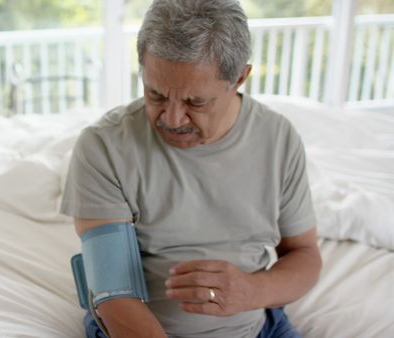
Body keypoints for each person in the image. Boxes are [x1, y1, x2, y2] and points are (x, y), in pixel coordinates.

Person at [59, 0, 322, 337]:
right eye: (155, 94)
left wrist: (251, 291)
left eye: (195, 102)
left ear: (240, 77)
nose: (171, 119)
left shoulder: (278, 138)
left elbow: (304, 254)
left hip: (259, 328)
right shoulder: (104, 146)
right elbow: (112, 293)